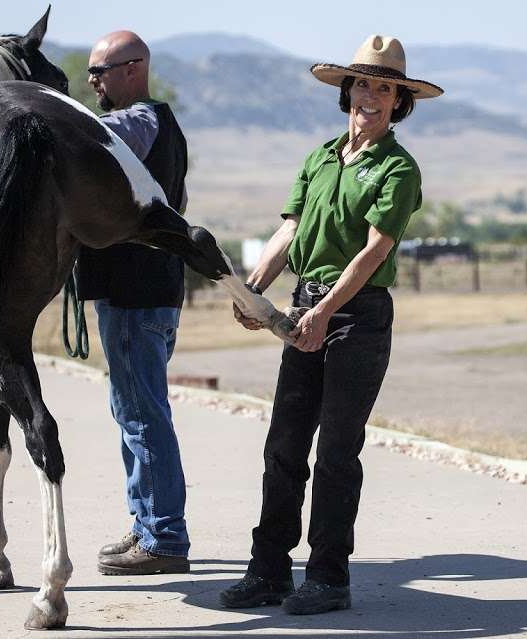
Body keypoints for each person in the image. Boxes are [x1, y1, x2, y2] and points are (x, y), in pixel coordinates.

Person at [217, 34, 443, 615]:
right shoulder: (319, 158)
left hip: (358, 316)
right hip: (304, 308)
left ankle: (328, 578)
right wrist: (253, 291)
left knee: (338, 451)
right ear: (347, 91)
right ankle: (268, 572)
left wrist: (326, 311)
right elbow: (289, 233)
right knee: (284, 445)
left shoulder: (398, 168)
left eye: (384, 88)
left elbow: (373, 252)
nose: (369, 95)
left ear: (399, 102)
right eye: (362, 83)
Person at [73, 30, 192, 576]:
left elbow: (85, 133)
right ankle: (149, 525)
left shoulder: (138, 121)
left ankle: (164, 539)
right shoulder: (161, 126)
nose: (92, 80)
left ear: (132, 69)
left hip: (136, 293)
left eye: (99, 71)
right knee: (135, 413)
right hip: (149, 290)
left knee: (142, 416)